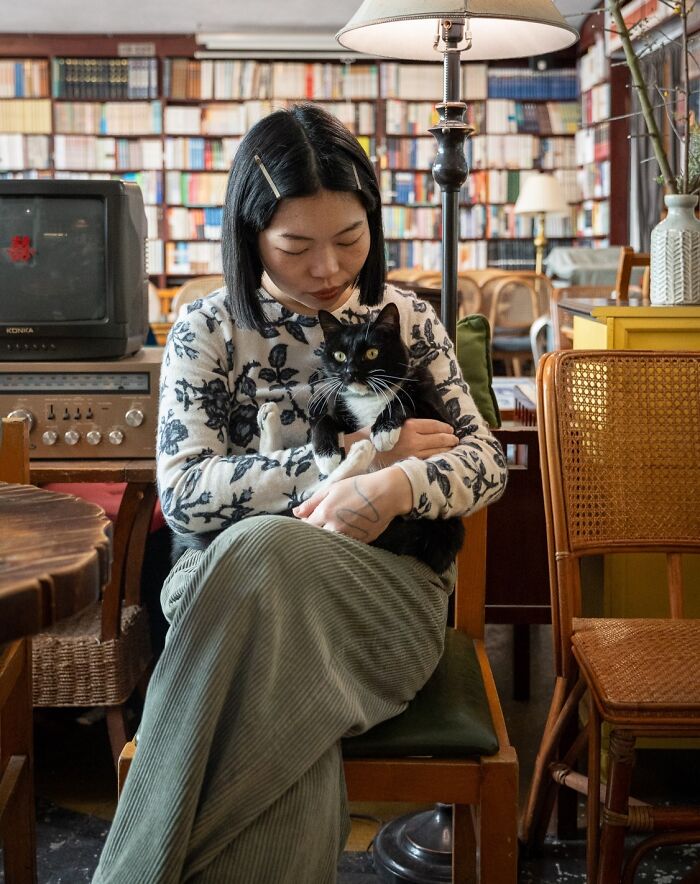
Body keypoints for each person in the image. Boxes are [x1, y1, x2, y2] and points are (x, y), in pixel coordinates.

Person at [93, 103, 507, 884]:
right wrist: (338, 465)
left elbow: (487, 463)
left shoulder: (407, 318)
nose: (327, 269)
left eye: (350, 240)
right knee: (264, 555)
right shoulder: (205, 328)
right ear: (249, 236)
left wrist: (396, 487)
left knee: (262, 554)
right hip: (228, 598)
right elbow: (182, 497)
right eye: (296, 246)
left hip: (379, 603)